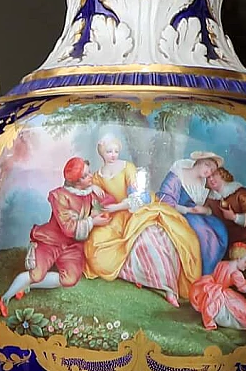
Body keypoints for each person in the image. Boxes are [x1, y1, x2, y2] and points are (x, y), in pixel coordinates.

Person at [83, 132, 203, 308]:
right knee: (96, 248)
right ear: (101, 152)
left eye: (116, 151)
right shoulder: (97, 176)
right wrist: (93, 187)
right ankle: (140, 277)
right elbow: (96, 201)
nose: (113, 155)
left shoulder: (127, 167)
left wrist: (118, 207)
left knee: (152, 237)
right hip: (113, 218)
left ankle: (168, 288)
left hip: (135, 211)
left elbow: (139, 197)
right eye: (109, 151)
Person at [0, 156, 112, 313]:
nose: (90, 176)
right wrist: (93, 222)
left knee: (70, 279)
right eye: (85, 176)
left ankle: (27, 286)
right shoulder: (60, 197)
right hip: (51, 241)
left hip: (72, 246)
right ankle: (5, 298)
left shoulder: (89, 192)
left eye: (89, 172)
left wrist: (102, 199)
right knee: (36, 274)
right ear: (76, 182)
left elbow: (106, 203)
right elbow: (69, 228)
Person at [158, 151, 229, 276]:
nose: (208, 171)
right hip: (178, 212)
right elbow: (166, 200)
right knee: (204, 233)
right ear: (199, 161)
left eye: (212, 170)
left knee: (220, 229)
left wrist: (206, 210)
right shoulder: (178, 173)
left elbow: (207, 205)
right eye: (207, 165)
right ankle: (205, 274)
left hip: (197, 214)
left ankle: (210, 272)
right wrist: (189, 210)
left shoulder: (204, 183)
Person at [187, 242, 246, 334]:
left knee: (236, 306)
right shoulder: (236, 274)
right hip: (220, 294)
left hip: (211, 291)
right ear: (238, 258)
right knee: (244, 310)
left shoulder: (222, 264)